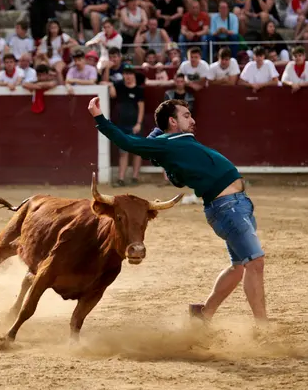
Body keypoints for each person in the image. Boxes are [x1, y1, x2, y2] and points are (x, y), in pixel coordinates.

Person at [87, 96, 268, 325]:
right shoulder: (169, 144)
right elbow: (128, 143)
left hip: (237, 204)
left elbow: (170, 169)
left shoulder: (176, 143)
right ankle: (263, 327)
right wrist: (100, 118)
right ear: (173, 121)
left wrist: (156, 140)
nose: (192, 120)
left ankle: (204, 314)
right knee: (255, 262)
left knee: (240, 265)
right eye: (186, 115)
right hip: (228, 207)